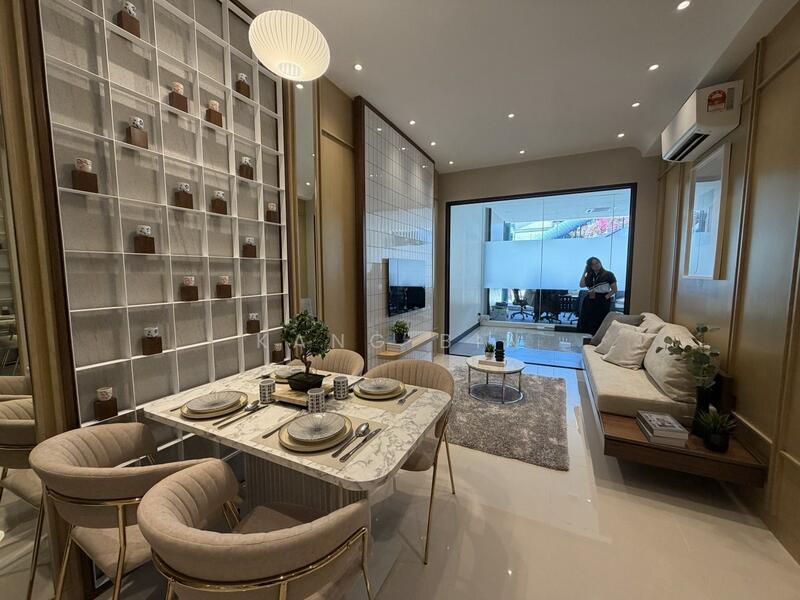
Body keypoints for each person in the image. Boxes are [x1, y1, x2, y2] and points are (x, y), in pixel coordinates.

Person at [577, 257, 617, 335]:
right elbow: (581, 285)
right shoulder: (590, 275)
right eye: (593, 264)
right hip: (590, 299)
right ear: (590, 266)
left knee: (600, 321)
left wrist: (605, 297)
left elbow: (614, 289)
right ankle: (587, 339)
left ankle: (597, 338)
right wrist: (585, 272)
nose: (596, 265)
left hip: (602, 299)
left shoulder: (608, 274)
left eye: (597, 263)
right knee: (587, 321)